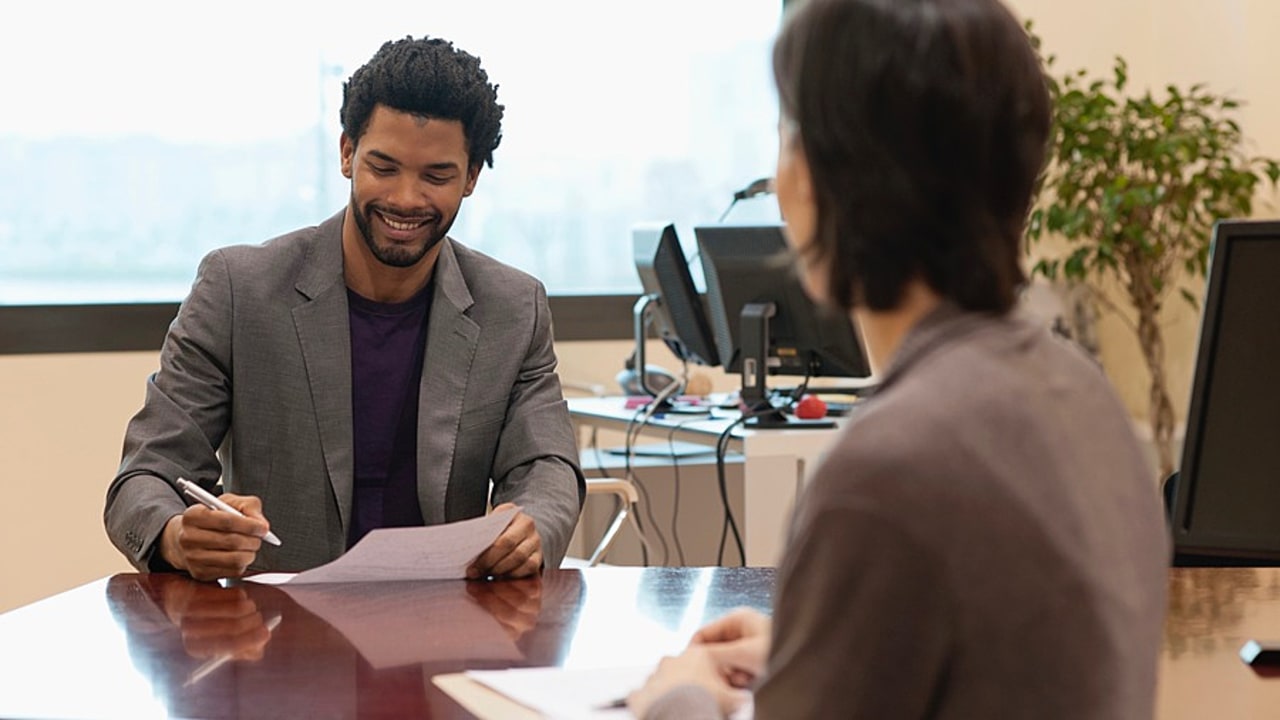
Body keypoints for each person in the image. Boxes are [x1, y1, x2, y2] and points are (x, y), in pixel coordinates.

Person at [628, 0, 1171, 717]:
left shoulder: (887, 467)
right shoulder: (1081, 392)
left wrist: (678, 699)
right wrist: (819, 645)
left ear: (827, 180)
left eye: (791, 134)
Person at [104, 36, 585, 582]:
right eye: (384, 167)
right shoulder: (239, 290)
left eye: (436, 176)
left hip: (444, 624)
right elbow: (144, 476)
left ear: (471, 177)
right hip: (277, 633)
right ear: (347, 153)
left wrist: (533, 526)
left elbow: (548, 467)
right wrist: (176, 534)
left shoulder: (513, 307)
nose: (405, 198)